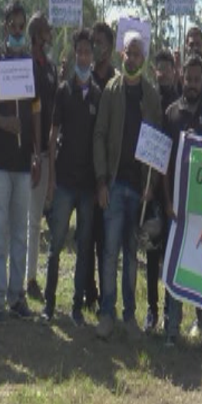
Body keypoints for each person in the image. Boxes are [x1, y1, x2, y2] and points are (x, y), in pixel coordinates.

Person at [0, 0, 42, 321]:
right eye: (13, 26)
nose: (17, 31)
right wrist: (3, 123)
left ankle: (18, 297)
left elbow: (36, 111)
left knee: (20, 233)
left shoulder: (30, 65)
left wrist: (37, 152)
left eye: (21, 26)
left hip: (22, 164)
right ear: (5, 27)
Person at [93, 31, 162, 340]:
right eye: (128, 53)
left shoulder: (152, 96)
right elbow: (99, 136)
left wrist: (152, 184)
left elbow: (159, 146)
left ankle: (129, 317)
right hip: (114, 184)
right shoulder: (111, 90)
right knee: (109, 254)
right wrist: (101, 181)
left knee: (131, 256)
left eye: (137, 54)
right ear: (121, 54)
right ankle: (106, 314)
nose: (132, 58)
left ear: (143, 59)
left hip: (139, 190)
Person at [163, 55, 202, 347]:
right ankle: (171, 326)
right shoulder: (171, 114)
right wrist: (166, 201)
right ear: (181, 78)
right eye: (187, 79)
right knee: (174, 264)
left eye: (196, 80)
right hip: (176, 206)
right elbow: (163, 163)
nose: (191, 84)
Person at [41, 28, 102, 327]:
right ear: (74, 54)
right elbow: (53, 136)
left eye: (87, 52)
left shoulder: (100, 94)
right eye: (79, 52)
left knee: (83, 249)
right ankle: (49, 305)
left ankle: (76, 307)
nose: (83, 57)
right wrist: (51, 178)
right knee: (55, 247)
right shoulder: (63, 91)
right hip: (64, 182)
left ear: (93, 56)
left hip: (88, 185)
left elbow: (101, 140)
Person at [144, 49, 181, 333]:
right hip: (152, 189)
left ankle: (170, 311)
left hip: (176, 188)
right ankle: (152, 310)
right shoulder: (150, 99)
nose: (164, 72)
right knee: (151, 253)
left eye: (168, 67)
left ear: (174, 70)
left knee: (171, 254)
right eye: (160, 68)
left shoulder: (181, 100)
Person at [83, 21, 117, 312]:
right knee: (87, 234)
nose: (98, 47)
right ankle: (88, 292)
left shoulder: (118, 82)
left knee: (108, 242)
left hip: (111, 173)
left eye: (102, 42)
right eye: (94, 42)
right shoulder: (85, 78)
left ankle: (108, 297)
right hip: (85, 170)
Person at [25, 12, 57, 301]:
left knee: (35, 219)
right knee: (23, 219)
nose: (50, 35)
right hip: (25, 151)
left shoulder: (50, 68)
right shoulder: (24, 64)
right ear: (37, 34)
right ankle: (23, 277)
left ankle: (30, 276)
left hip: (46, 152)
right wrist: (34, 150)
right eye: (46, 31)